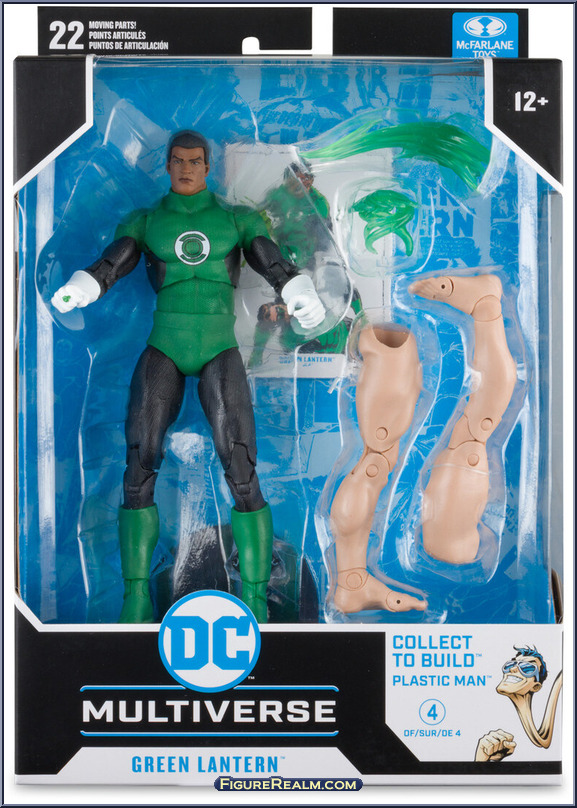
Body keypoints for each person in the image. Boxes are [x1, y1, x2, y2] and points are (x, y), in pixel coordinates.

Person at [52, 130, 325, 624]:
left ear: (208, 165)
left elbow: (270, 258)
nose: (185, 168)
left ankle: (256, 597)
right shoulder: (147, 220)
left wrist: (298, 290)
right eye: (177, 160)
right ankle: (136, 597)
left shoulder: (236, 218)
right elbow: (113, 261)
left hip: (219, 346)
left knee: (241, 468)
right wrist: (83, 286)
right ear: (167, 165)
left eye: (195, 161)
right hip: (165, 346)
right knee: (138, 466)